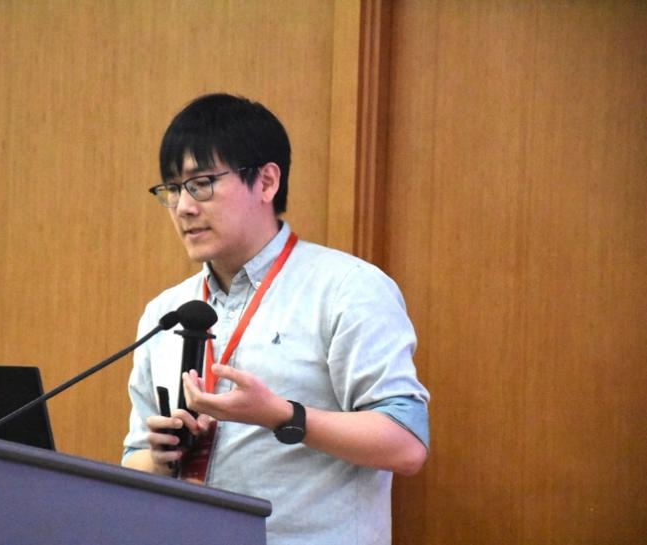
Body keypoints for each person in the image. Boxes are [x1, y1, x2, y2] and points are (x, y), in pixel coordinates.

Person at [122, 93, 430, 545]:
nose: (183, 206)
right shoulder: (166, 313)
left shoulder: (348, 289)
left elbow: (406, 444)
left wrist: (282, 415)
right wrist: (160, 456)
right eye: (172, 189)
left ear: (266, 182)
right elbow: (133, 460)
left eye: (201, 183)